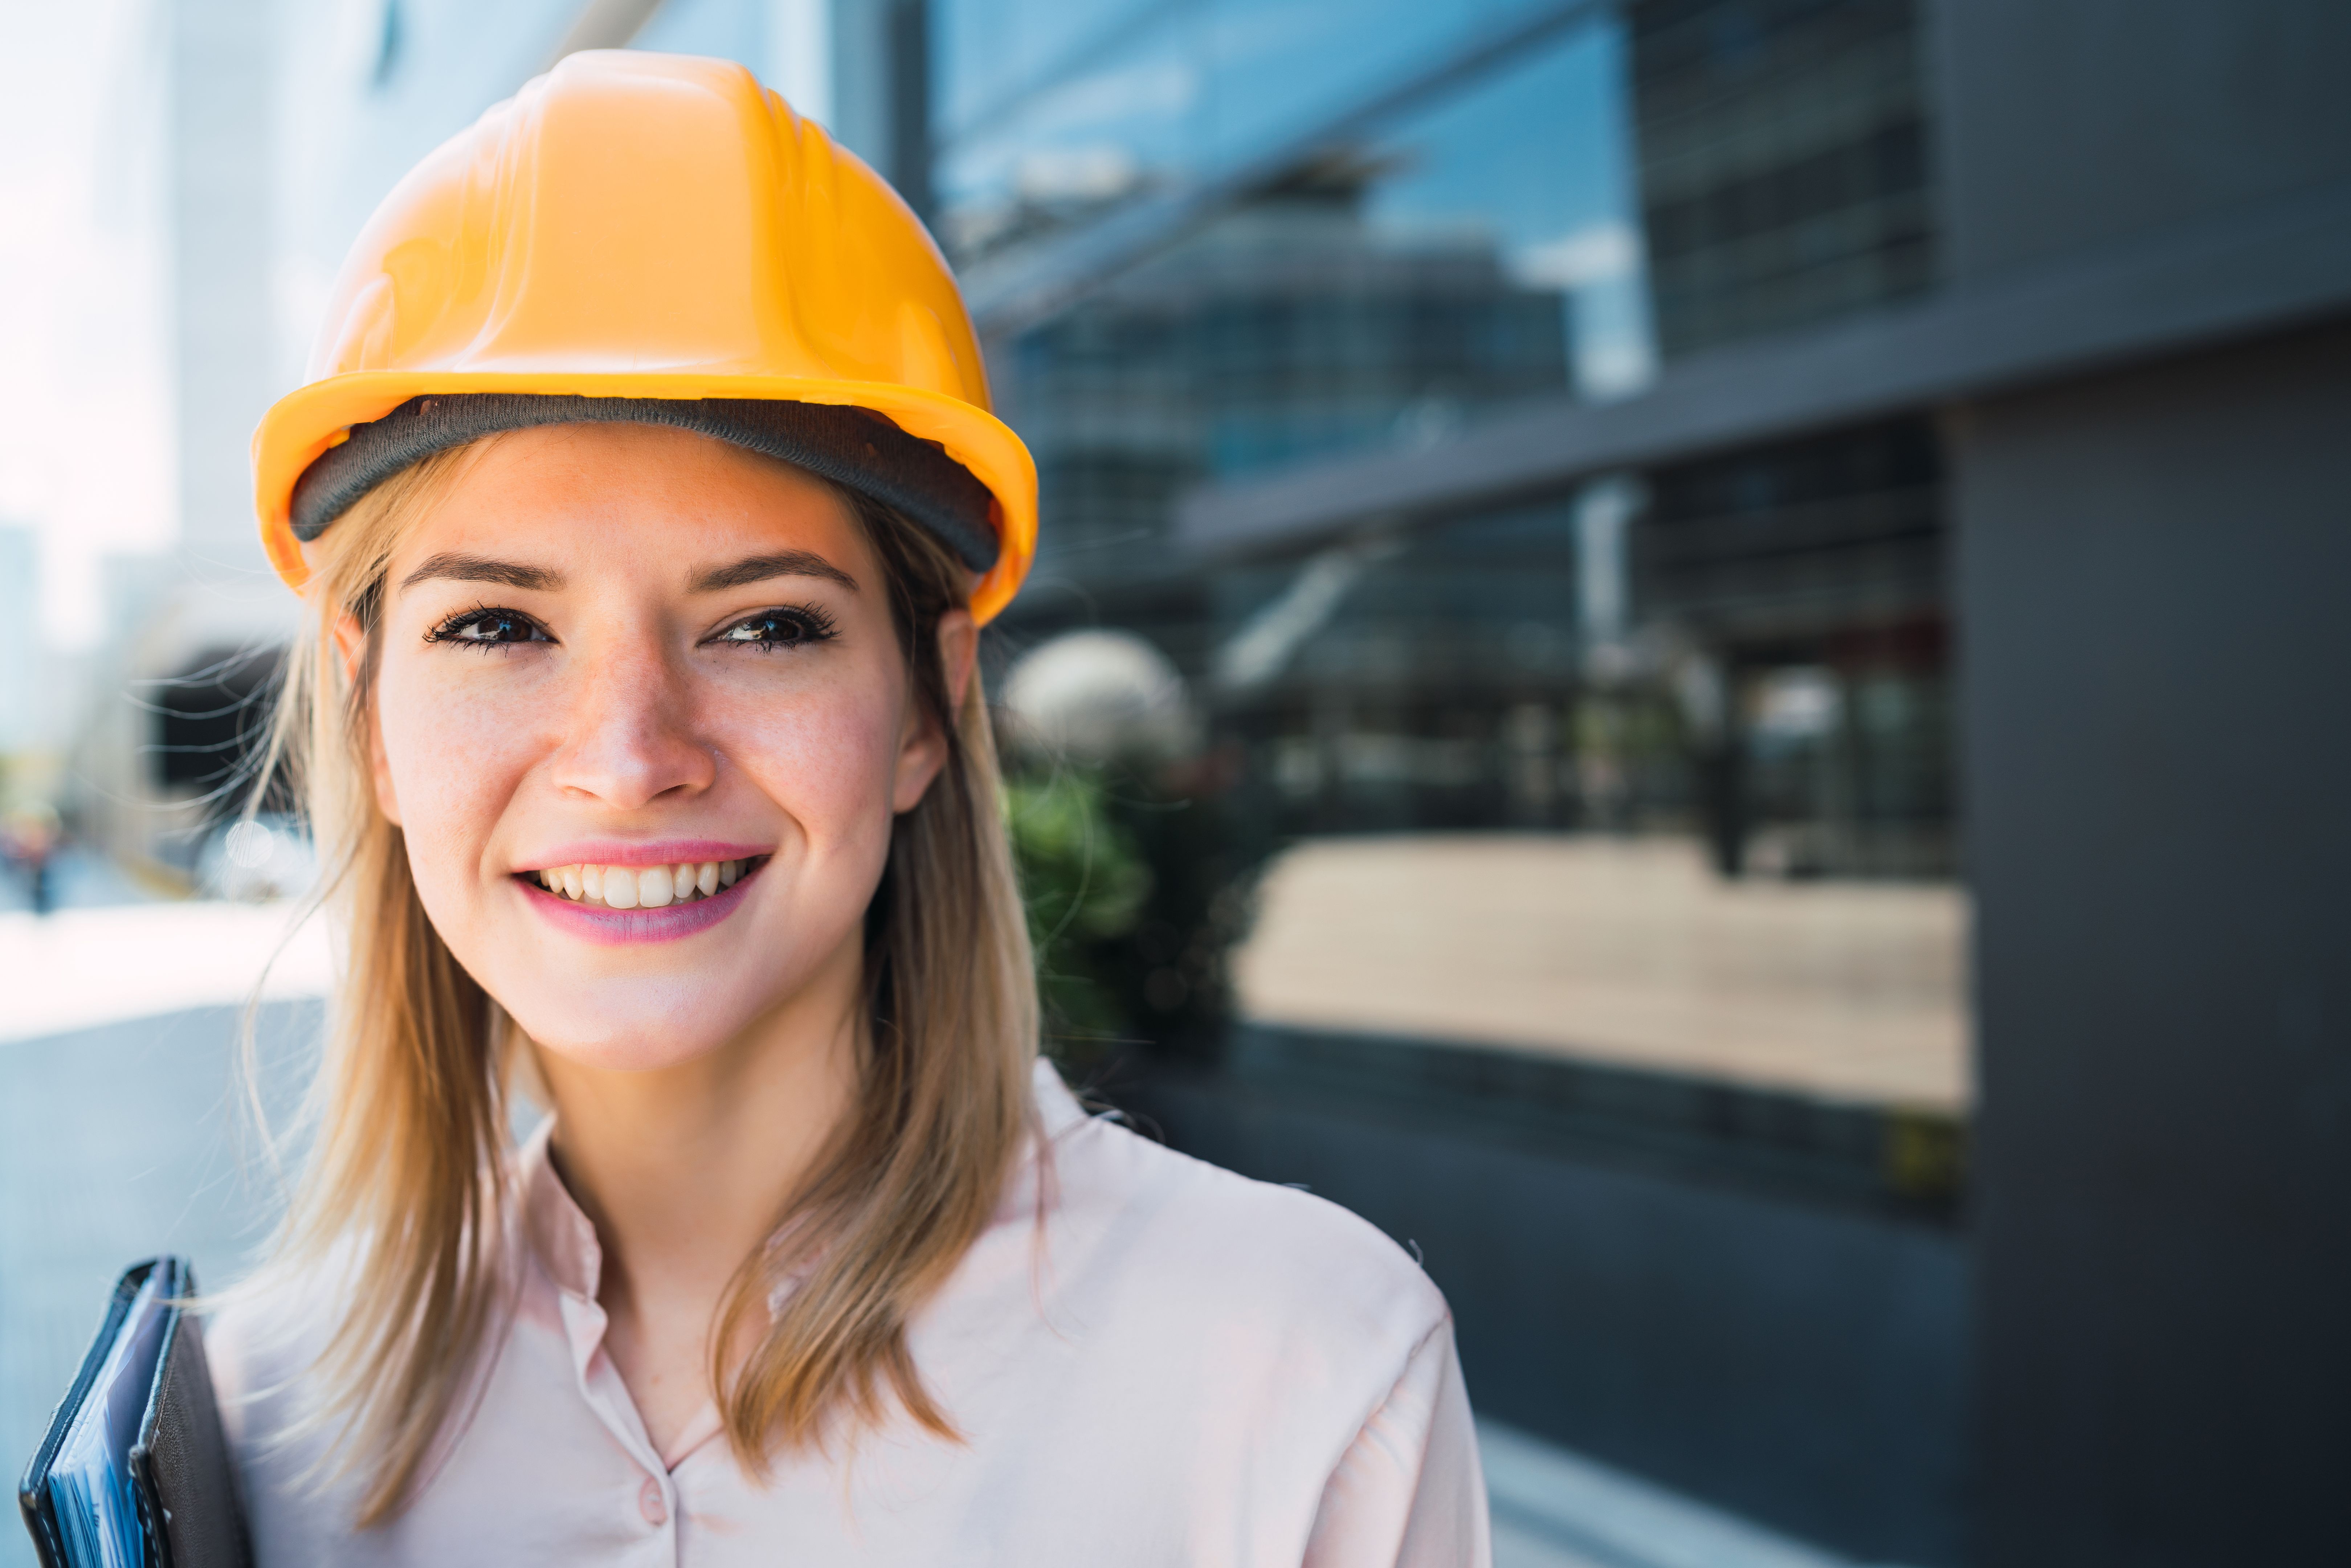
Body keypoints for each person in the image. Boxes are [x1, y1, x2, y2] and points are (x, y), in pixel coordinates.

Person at [210, 50, 1487, 1567]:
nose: (630, 758)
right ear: (367, 710)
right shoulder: (256, 1419)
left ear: (928, 707)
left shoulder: (1305, 1375)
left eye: (766, 626)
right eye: (496, 624)